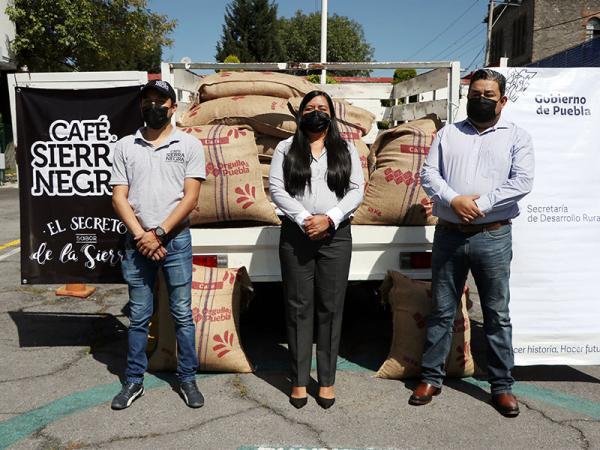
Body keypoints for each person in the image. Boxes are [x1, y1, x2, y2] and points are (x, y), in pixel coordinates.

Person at [412, 69, 534, 417]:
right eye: (476, 93)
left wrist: (479, 204)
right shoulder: (448, 134)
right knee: (441, 310)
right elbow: (429, 175)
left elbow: (522, 180)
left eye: (489, 94)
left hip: (493, 235)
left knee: (497, 313)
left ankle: (502, 386)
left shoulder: (517, 137)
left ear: (503, 100)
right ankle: (431, 377)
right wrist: (454, 201)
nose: (481, 99)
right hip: (450, 234)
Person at [109, 80, 206, 410]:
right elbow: (119, 197)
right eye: (147, 101)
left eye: (160, 101)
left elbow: (191, 197)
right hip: (137, 243)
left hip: (175, 241)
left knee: (181, 313)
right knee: (138, 316)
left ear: (173, 107)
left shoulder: (189, 145)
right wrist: (142, 236)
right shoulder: (125, 146)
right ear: (141, 106)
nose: (154, 106)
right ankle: (134, 381)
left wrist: (160, 234)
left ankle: (188, 378)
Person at [269, 90, 365, 409]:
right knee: (298, 307)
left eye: (322, 108)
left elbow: (356, 190)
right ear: (300, 114)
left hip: (336, 236)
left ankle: (326, 380)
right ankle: (298, 380)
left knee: (330, 307)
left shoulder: (345, 148)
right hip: (296, 235)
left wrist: (330, 219)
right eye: (310, 108)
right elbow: (276, 189)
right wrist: (304, 218)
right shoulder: (286, 148)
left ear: (331, 115)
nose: (316, 112)